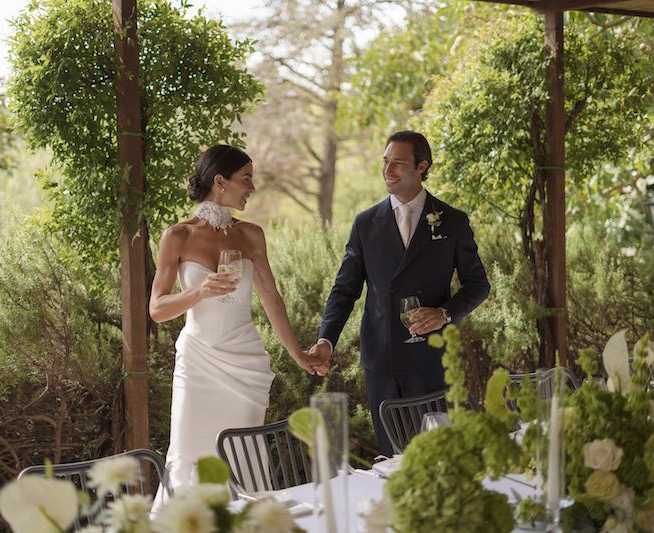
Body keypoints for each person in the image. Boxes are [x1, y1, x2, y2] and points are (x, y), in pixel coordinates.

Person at [149, 144, 326, 498]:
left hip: (246, 364)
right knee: (188, 458)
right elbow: (157, 308)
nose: (252, 188)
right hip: (198, 364)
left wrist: (298, 355)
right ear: (220, 181)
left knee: (244, 461)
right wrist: (198, 292)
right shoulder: (177, 236)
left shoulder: (251, 235)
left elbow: (272, 300)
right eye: (246, 179)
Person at [308, 131, 490, 457]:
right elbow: (344, 289)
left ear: (422, 167)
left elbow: (478, 284)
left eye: (399, 163)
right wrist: (326, 339)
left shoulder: (453, 221)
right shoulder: (365, 223)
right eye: (386, 162)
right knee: (395, 458)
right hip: (382, 362)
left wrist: (445, 313)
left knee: (441, 455)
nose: (388, 170)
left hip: (433, 361)